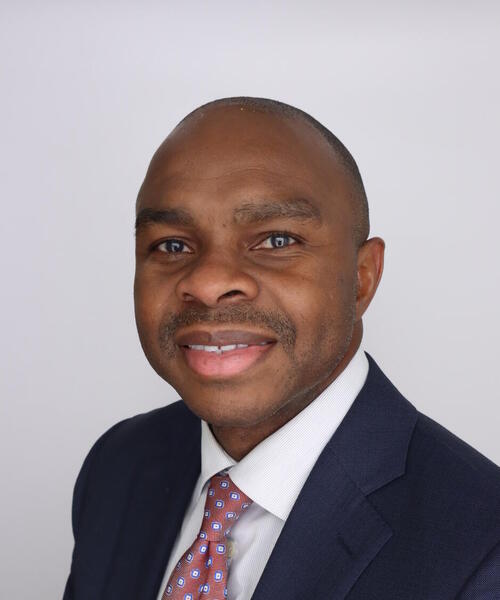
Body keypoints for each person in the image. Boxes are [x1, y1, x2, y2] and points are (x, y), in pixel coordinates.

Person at [63, 97, 500, 600]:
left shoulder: (483, 553)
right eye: (172, 245)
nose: (208, 283)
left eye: (275, 241)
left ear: (362, 278)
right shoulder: (120, 464)